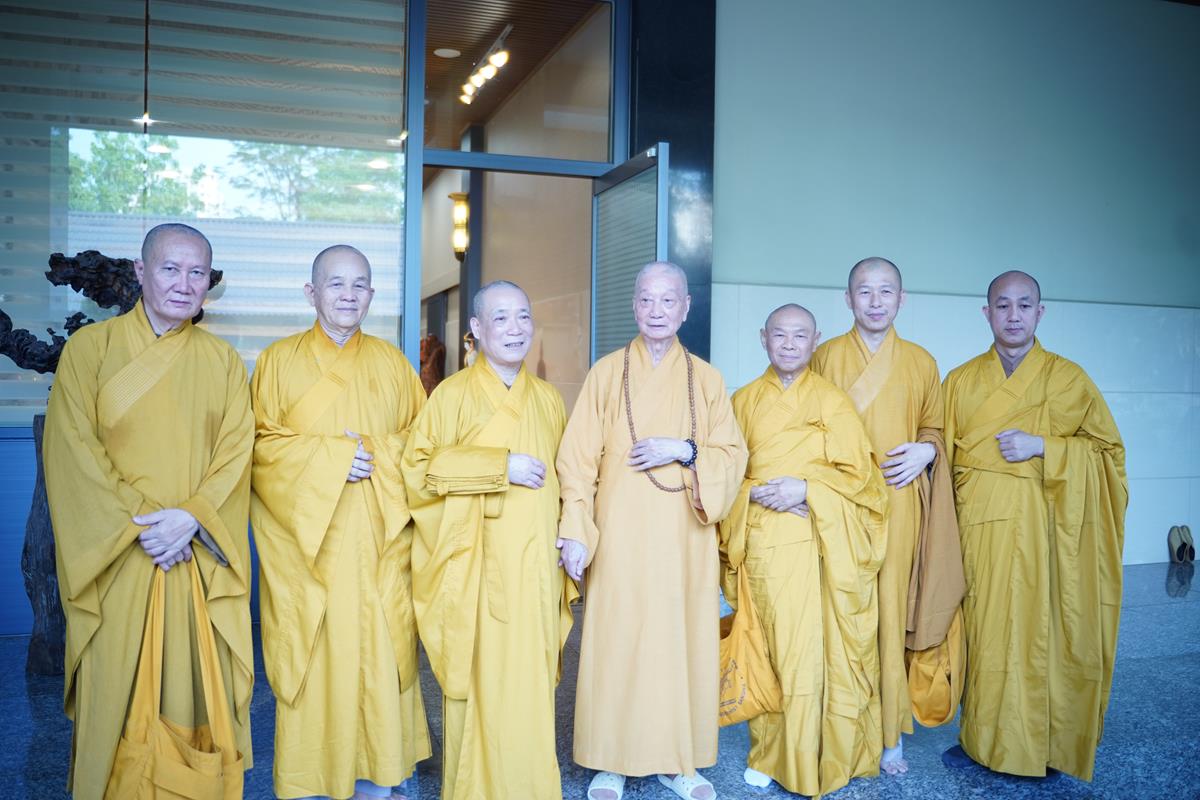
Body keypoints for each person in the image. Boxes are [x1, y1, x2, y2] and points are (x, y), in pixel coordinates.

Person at [44, 222, 254, 799]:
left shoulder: (223, 361)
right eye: (170, 268)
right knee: (114, 692)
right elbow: (72, 449)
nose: (185, 284)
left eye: (197, 273)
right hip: (118, 557)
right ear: (140, 271)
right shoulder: (90, 350)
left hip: (191, 556)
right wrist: (148, 523)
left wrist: (191, 517)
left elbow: (237, 453)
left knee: (190, 694)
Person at [557, 262, 748, 800]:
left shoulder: (706, 379)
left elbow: (733, 456)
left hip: (684, 538)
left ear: (686, 307)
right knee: (617, 642)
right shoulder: (606, 373)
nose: (657, 310)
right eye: (647, 299)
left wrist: (682, 450)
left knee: (679, 645)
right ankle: (610, 761)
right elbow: (576, 459)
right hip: (619, 534)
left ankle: (679, 761)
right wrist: (576, 526)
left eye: (668, 300)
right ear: (634, 305)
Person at [251, 245, 430, 800]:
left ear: (372, 295)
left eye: (359, 285)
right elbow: (257, 445)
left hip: (378, 540)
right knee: (315, 656)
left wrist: (374, 450)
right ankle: (309, 781)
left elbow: (422, 445)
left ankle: (379, 779)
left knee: (380, 652)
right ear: (312, 292)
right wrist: (329, 459)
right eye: (336, 284)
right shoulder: (276, 361)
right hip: (309, 548)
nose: (349, 295)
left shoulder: (393, 364)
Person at [941, 270, 1127, 781]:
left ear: (1040, 312)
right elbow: (941, 456)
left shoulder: (1069, 379)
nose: (1014, 315)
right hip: (980, 531)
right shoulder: (960, 381)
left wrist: (1045, 446)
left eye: (1025, 305)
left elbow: (1109, 455)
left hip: (1047, 533)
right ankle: (982, 741)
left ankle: (1043, 746)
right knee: (986, 635)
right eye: (1003, 305)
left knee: (1038, 634)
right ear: (987, 313)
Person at [402, 280, 577, 800]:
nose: (515, 328)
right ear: (476, 329)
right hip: (474, 568)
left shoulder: (547, 399)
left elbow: (569, 478)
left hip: (536, 569)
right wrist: (499, 466)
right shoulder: (451, 395)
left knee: (530, 684)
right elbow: (418, 470)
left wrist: (573, 533)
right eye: (500, 318)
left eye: (523, 316)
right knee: (480, 683)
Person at [721, 303, 887, 796]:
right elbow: (724, 475)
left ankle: (815, 753)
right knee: (768, 649)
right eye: (780, 334)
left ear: (815, 341)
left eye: (800, 335)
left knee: (811, 655)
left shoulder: (833, 402)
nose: (789, 344)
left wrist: (808, 488)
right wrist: (754, 493)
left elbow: (864, 482)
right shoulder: (742, 401)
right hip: (762, 544)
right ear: (763, 338)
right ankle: (768, 753)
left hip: (818, 544)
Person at [811, 257, 964, 775]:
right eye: (864, 291)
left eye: (885, 291)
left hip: (898, 499)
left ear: (902, 299)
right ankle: (839, 723)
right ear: (847, 299)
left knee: (891, 612)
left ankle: (889, 732)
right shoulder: (825, 357)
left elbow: (935, 428)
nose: (875, 301)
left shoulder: (921, 361)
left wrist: (926, 450)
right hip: (839, 501)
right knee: (840, 610)